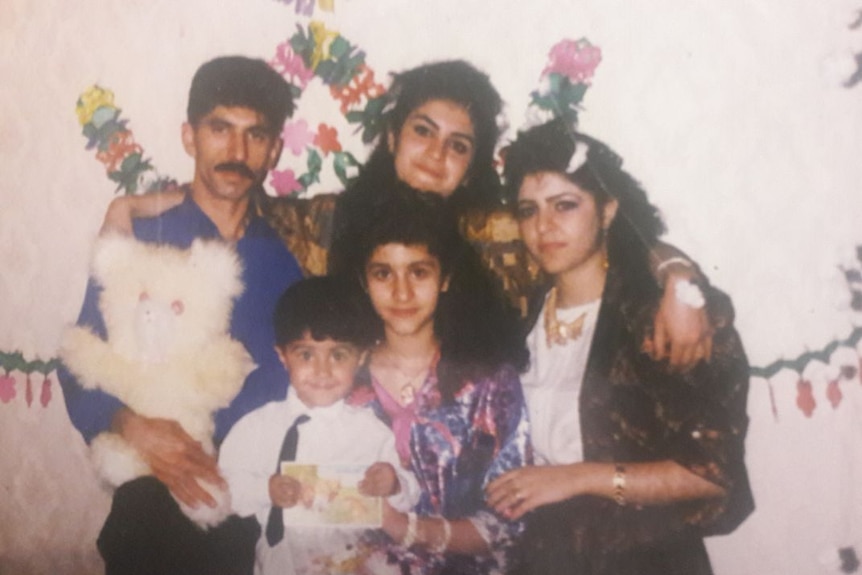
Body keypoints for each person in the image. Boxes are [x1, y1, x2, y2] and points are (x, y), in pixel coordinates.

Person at [100, 59, 715, 371]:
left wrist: (679, 280)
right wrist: (130, 204)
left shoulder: (499, 231)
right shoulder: (328, 223)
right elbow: (234, 190)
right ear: (393, 135)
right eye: (423, 131)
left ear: (471, 163)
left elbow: (613, 235)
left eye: (457, 144)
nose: (435, 155)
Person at [58, 55, 304, 575]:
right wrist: (132, 425)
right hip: (153, 489)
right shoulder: (144, 237)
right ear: (189, 136)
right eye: (220, 129)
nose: (236, 152)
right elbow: (81, 363)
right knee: (143, 520)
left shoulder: (284, 261)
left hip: (245, 493)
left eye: (255, 135)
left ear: (274, 150)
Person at [485, 119, 754, 575]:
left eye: (564, 205)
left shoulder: (664, 318)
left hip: (645, 560)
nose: (543, 226)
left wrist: (575, 478)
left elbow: (710, 474)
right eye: (529, 210)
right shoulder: (523, 312)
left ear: (607, 211)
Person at [343, 186, 530, 575]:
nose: (402, 291)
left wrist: (409, 529)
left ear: (445, 278)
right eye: (383, 273)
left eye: (419, 272)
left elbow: (509, 523)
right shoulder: (340, 381)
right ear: (364, 281)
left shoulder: (488, 383)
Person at [218, 276, 421, 574]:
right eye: (306, 354)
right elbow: (225, 488)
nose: (322, 370)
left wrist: (393, 484)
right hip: (285, 564)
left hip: (358, 562)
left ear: (360, 359)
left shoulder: (370, 431)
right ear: (283, 357)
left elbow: (409, 495)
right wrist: (265, 490)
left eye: (338, 355)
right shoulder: (257, 428)